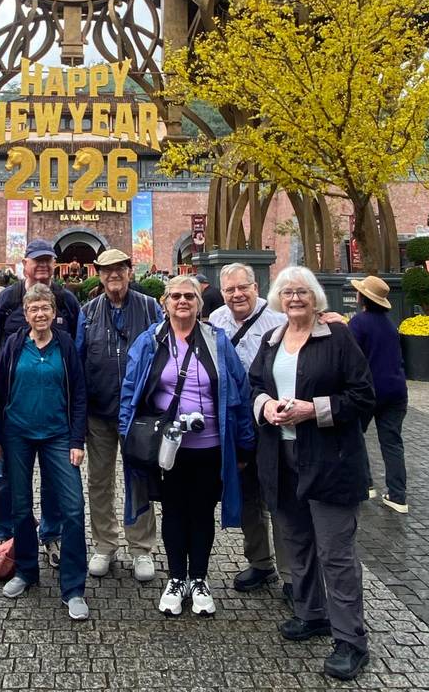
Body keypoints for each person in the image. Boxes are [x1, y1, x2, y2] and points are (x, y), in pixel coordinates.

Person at [250, 266, 374, 682]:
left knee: (336, 553)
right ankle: (311, 613)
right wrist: (265, 405)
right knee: (297, 541)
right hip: (281, 456)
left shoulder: (336, 337)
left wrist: (313, 410)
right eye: (287, 292)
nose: (295, 298)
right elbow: (254, 384)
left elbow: (362, 396)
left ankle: (351, 640)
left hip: (330, 459)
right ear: (278, 299)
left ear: (315, 296)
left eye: (302, 291)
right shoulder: (272, 339)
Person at [120, 275, 254, 618]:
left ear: (199, 302)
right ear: (165, 302)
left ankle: (199, 578)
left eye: (189, 296)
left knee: (202, 511)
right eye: (176, 296)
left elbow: (237, 393)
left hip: (210, 445)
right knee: (174, 511)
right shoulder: (149, 341)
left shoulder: (217, 340)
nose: (182, 302)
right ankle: (176, 578)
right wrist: (128, 438)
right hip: (169, 447)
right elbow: (130, 390)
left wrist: (243, 445)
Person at [0, 283, 89, 620]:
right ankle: (26, 571)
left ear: (54, 312)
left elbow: (79, 394)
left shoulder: (66, 346)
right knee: (20, 507)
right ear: (26, 314)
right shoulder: (15, 345)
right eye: (34, 309)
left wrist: (77, 440)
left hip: (58, 434)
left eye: (46, 307)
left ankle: (73, 587)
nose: (40, 314)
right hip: (18, 433)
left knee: (73, 507)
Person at [0, 238, 80, 565]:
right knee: (4, 478)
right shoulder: (7, 300)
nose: (42, 267)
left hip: (55, 412)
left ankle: (51, 535)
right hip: (16, 410)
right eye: (36, 261)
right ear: (23, 264)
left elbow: (74, 348)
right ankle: (5, 533)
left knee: (55, 481)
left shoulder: (66, 301)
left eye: (47, 261)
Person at [76, 248, 163, 581]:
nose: (113, 275)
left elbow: (163, 354)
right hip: (99, 413)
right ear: (98, 274)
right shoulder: (89, 312)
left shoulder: (150, 307)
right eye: (106, 270)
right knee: (99, 481)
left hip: (139, 413)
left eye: (119, 269)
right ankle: (104, 543)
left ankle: (141, 548)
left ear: (130, 271)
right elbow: (80, 362)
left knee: (138, 479)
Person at [208, 263, 292, 602]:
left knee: (281, 497)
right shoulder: (216, 320)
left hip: (273, 419)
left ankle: (292, 574)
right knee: (247, 496)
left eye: (242, 288)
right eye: (229, 290)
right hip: (235, 423)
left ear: (256, 286)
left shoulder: (278, 317)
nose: (236, 295)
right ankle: (260, 562)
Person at [349, 275, 409, 514]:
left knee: (354, 434)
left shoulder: (358, 323)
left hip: (369, 391)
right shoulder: (389, 323)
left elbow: (351, 358)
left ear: (362, 297)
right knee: (392, 442)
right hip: (396, 391)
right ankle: (398, 496)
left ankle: (366, 484)